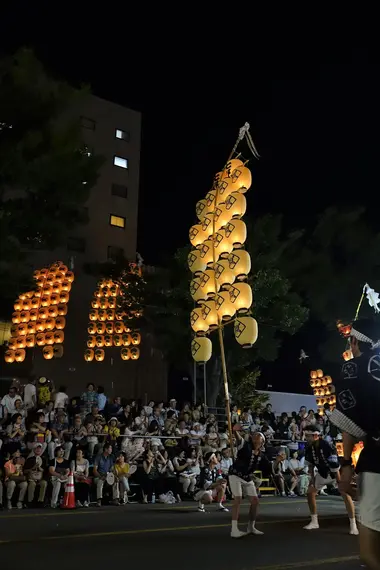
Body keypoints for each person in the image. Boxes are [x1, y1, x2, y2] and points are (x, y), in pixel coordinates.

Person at [331, 318, 380, 569]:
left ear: (353, 341)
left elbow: (348, 423)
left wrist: (346, 463)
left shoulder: (354, 368)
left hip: (377, 460)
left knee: (370, 550)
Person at [303, 426, 358, 535]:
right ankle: (314, 522)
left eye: (308, 436)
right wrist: (313, 481)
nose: (306, 438)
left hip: (336, 473)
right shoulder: (309, 447)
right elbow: (310, 466)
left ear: (315, 436)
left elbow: (335, 466)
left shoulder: (326, 445)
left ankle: (353, 525)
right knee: (310, 492)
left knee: (345, 495)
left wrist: (339, 483)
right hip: (323, 473)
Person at [228, 429, 270, 538]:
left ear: (262, 443)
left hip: (247, 477)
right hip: (235, 475)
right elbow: (238, 439)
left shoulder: (262, 456)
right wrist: (235, 431)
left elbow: (269, 470)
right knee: (237, 499)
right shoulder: (245, 446)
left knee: (255, 501)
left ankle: (251, 527)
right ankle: (234, 529)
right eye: (254, 439)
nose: (256, 442)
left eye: (258, 441)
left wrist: (278, 461)